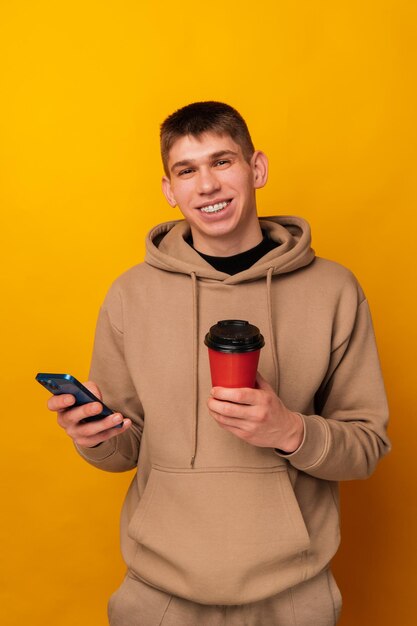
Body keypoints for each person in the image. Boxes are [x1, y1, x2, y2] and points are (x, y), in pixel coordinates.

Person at [47, 101, 391, 625]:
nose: (206, 185)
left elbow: (365, 447)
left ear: (257, 169)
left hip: (293, 597)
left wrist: (290, 430)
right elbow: (125, 449)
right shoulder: (130, 295)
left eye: (222, 162)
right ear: (169, 189)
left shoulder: (334, 291)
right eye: (187, 170)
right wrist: (93, 435)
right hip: (158, 596)